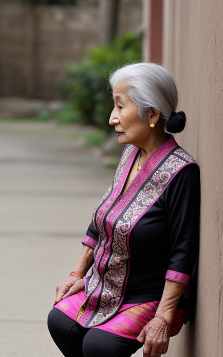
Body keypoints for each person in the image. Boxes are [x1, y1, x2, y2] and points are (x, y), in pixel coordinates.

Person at [47, 62, 200, 357]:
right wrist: (77, 274)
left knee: (99, 346)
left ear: (152, 114)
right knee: (60, 321)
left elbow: (184, 250)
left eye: (120, 107)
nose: (111, 118)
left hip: (148, 295)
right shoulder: (130, 154)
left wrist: (164, 316)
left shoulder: (182, 172)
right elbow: (101, 219)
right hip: (107, 287)